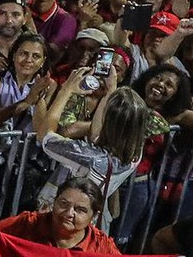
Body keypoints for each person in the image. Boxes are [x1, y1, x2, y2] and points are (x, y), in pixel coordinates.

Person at [33, 68, 149, 232]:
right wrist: (110, 90)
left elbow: (45, 136)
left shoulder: (89, 157)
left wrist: (66, 90)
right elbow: (96, 134)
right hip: (91, 223)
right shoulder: (135, 152)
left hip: (65, 223)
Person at [0, 178, 120, 253]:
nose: (69, 213)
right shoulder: (27, 224)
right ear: (54, 202)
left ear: (94, 216)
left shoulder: (101, 245)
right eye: (63, 204)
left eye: (80, 210)